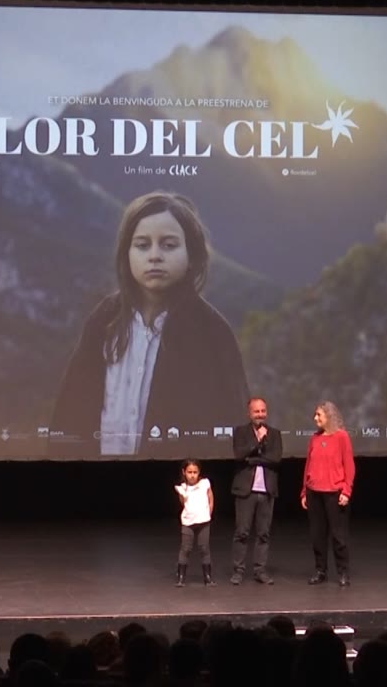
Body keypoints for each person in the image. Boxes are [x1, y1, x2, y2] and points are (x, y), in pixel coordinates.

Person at [50, 191, 249, 457]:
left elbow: (234, 424)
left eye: (169, 245)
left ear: (191, 255)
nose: (154, 256)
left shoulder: (212, 332)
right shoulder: (104, 320)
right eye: (143, 245)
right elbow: (70, 409)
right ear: (127, 254)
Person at [301, 400, 355, 586]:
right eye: (315, 415)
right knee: (317, 535)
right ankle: (320, 570)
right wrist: (304, 492)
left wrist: (346, 491)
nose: (315, 418)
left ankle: (343, 572)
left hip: (334, 493)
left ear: (329, 416)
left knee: (338, 536)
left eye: (319, 415)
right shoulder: (314, 438)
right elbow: (308, 466)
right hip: (314, 492)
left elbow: (349, 466)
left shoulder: (342, 437)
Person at [229, 396, 282, 585]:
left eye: (263, 411)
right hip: (245, 491)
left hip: (267, 490)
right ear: (249, 413)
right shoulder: (241, 432)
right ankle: (238, 570)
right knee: (242, 532)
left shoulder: (274, 434)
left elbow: (275, 459)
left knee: (263, 533)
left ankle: (260, 570)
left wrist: (253, 460)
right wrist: (257, 444)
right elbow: (239, 455)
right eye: (256, 411)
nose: (260, 415)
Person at [174, 459, 215, 587]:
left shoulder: (205, 483)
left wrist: (208, 514)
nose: (192, 475)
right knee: (185, 548)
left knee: (204, 548)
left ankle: (207, 577)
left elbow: (211, 499)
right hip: (188, 522)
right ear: (184, 472)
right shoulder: (183, 488)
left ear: (199, 472)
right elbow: (183, 503)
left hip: (203, 521)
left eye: (195, 472)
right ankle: (181, 577)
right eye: (189, 472)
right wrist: (182, 494)